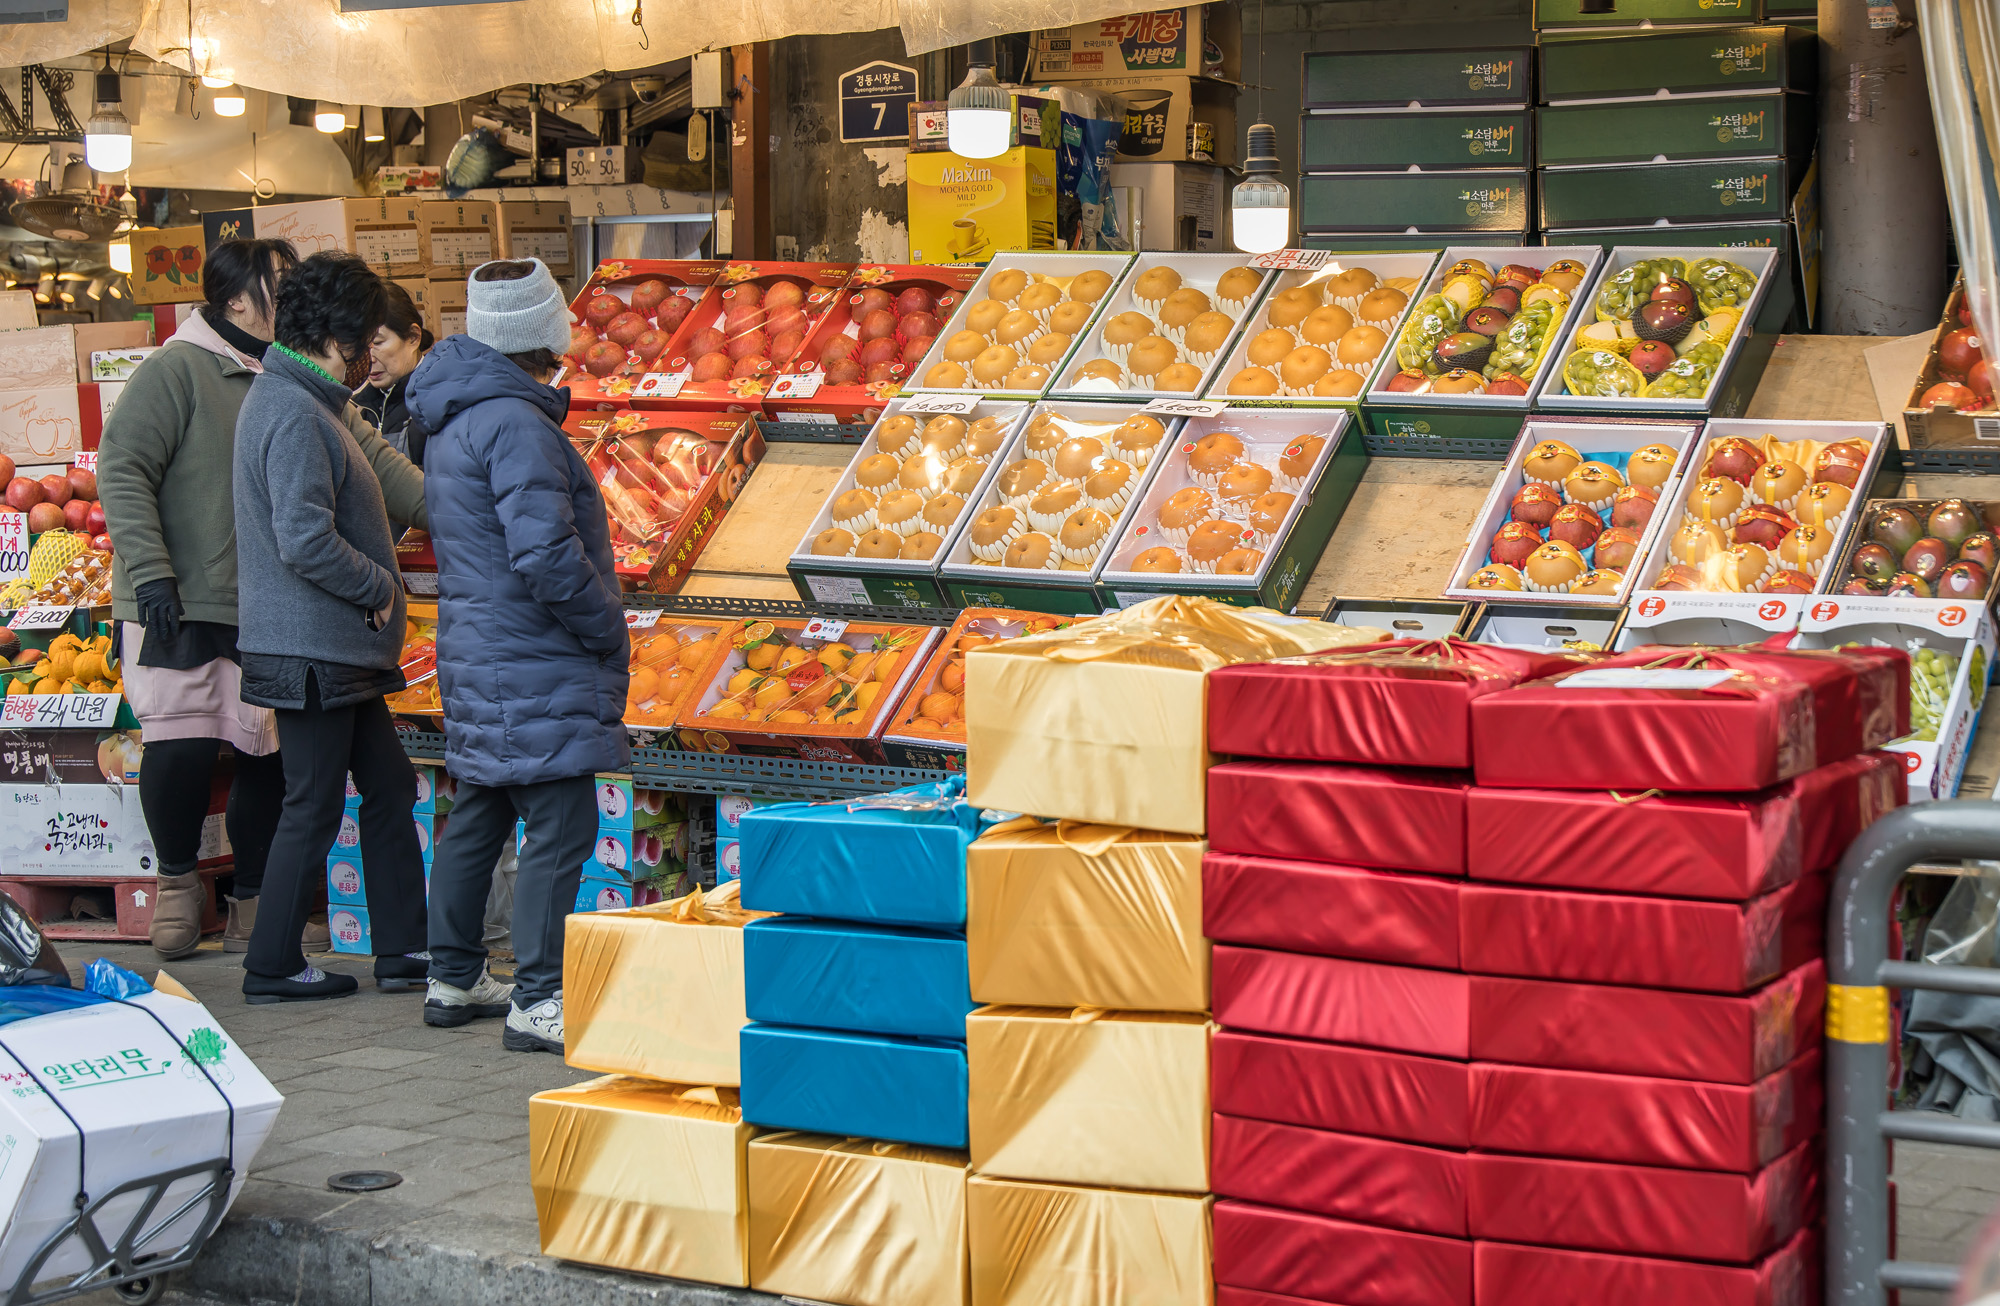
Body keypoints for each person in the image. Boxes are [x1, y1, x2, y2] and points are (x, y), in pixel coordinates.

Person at [99, 239, 421, 961]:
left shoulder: (304, 386)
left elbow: (384, 468)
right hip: (188, 600)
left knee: (270, 763)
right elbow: (122, 466)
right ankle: (184, 891)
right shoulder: (186, 371)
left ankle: (264, 914)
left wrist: (469, 513)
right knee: (182, 749)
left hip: (272, 607)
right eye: (279, 287)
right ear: (237, 300)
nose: (290, 298)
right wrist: (151, 571)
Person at [405, 257, 628, 1052]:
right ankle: (538, 998)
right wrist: (606, 622)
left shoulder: (457, 414)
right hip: (535, 650)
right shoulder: (517, 423)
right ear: (545, 332)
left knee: (482, 811)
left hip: (480, 644)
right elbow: (544, 555)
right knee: (563, 821)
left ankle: (454, 974)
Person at [232, 251, 431, 1004]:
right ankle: (272, 963)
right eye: (361, 344)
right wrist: (378, 585)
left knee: (388, 784)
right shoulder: (290, 410)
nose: (366, 361)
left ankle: (404, 950)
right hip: (311, 646)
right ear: (332, 337)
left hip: (333, 646)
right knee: (312, 799)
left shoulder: (312, 401)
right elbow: (303, 536)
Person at [356, 281, 434, 465]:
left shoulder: (439, 404)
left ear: (413, 337)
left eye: (377, 343)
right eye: (360, 346)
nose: (369, 358)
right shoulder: (358, 408)